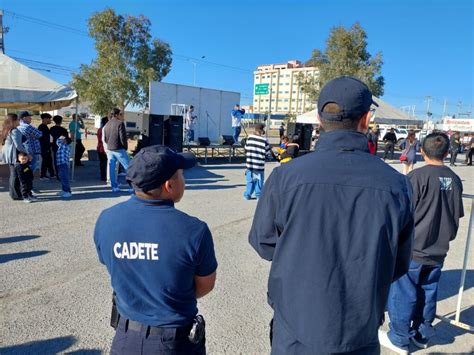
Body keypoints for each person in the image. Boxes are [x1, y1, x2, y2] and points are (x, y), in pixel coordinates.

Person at [249, 76, 413, 355]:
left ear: (319, 118)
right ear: (365, 120)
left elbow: (264, 243)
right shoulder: (396, 185)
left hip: (295, 324)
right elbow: (398, 262)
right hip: (359, 328)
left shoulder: (285, 177)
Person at [94, 145, 217, 355]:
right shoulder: (194, 231)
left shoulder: (106, 219)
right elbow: (205, 285)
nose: (184, 180)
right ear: (169, 185)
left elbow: (113, 264)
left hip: (125, 339)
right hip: (173, 343)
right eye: (181, 175)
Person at [380, 133, 464, 353]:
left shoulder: (416, 177)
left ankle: (399, 337)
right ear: (447, 153)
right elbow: (457, 214)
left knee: (403, 292)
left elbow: (402, 211)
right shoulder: (454, 179)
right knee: (428, 291)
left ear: (422, 151)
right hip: (439, 247)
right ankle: (422, 333)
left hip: (414, 247)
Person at [1, 113, 30, 200]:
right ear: (13, 121)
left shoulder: (7, 130)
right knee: (16, 176)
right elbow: (19, 145)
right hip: (14, 155)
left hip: (9, 155)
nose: (19, 121)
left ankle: (13, 193)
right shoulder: (15, 131)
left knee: (13, 175)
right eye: (17, 119)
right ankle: (16, 194)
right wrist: (27, 153)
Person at [104, 108, 130, 192]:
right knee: (129, 168)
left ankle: (114, 187)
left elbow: (105, 138)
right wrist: (125, 147)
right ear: (117, 115)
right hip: (119, 148)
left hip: (110, 148)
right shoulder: (120, 123)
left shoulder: (107, 124)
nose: (121, 116)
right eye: (120, 114)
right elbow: (123, 137)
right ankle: (132, 187)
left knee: (112, 168)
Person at [243, 123, 271, 200]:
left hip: (250, 165)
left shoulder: (249, 138)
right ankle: (258, 196)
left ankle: (247, 195)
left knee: (250, 181)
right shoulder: (265, 140)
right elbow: (268, 153)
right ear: (262, 130)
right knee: (259, 182)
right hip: (259, 165)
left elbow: (246, 148)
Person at [38, 113, 55, 179]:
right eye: (49, 119)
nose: (50, 120)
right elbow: (44, 138)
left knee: (49, 161)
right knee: (45, 161)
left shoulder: (45, 127)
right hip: (44, 147)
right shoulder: (42, 127)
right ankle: (42, 175)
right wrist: (48, 145)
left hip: (47, 147)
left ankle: (52, 174)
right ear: (45, 119)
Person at [97, 116, 109, 181]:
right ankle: (105, 176)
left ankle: (103, 176)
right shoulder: (105, 130)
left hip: (99, 147)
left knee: (102, 163)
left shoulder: (99, 129)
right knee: (105, 163)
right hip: (104, 148)